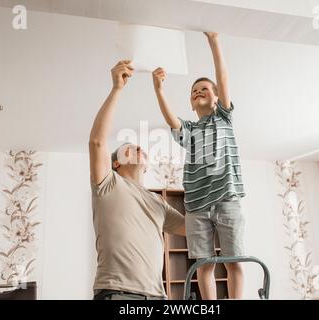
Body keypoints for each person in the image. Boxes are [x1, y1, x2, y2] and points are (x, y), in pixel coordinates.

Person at [152, 32, 246, 299]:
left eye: (205, 89)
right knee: (203, 263)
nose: (198, 92)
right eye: (194, 91)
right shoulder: (189, 130)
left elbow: (223, 79)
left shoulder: (223, 118)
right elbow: (171, 119)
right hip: (196, 205)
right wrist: (159, 89)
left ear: (216, 98)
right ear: (192, 104)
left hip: (227, 198)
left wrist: (215, 41)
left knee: (233, 260)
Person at [89, 60, 185, 300]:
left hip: (157, 296)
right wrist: (116, 89)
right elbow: (97, 142)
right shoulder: (108, 184)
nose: (139, 147)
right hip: (118, 294)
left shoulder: (158, 203)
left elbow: (194, 229)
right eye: (130, 148)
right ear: (116, 163)